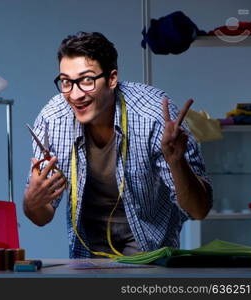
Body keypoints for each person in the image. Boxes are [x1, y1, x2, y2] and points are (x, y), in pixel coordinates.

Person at [23, 32, 212, 258]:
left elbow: (198, 210)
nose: (74, 94)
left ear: (112, 79)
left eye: (86, 80)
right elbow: (41, 217)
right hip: (87, 249)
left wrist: (177, 162)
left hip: (149, 249)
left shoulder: (153, 116)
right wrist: (32, 202)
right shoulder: (52, 119)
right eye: (66, 82)